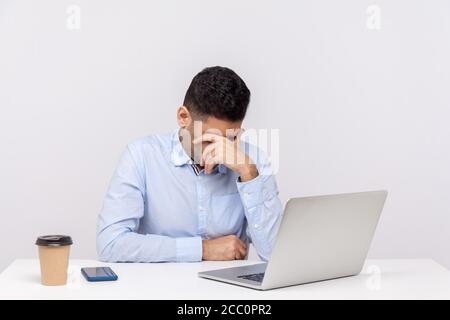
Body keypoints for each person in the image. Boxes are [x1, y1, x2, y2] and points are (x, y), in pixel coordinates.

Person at [96, 66, 283, 262]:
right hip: (159, 288)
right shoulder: (142, 155)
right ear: (183, 117)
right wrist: (203, 249)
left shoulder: (252, 160)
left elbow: (276, 256)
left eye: (232, 139)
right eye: (211, 139)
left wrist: (248, 173)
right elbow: (110, 244)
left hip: (228, 291)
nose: (221, 151)